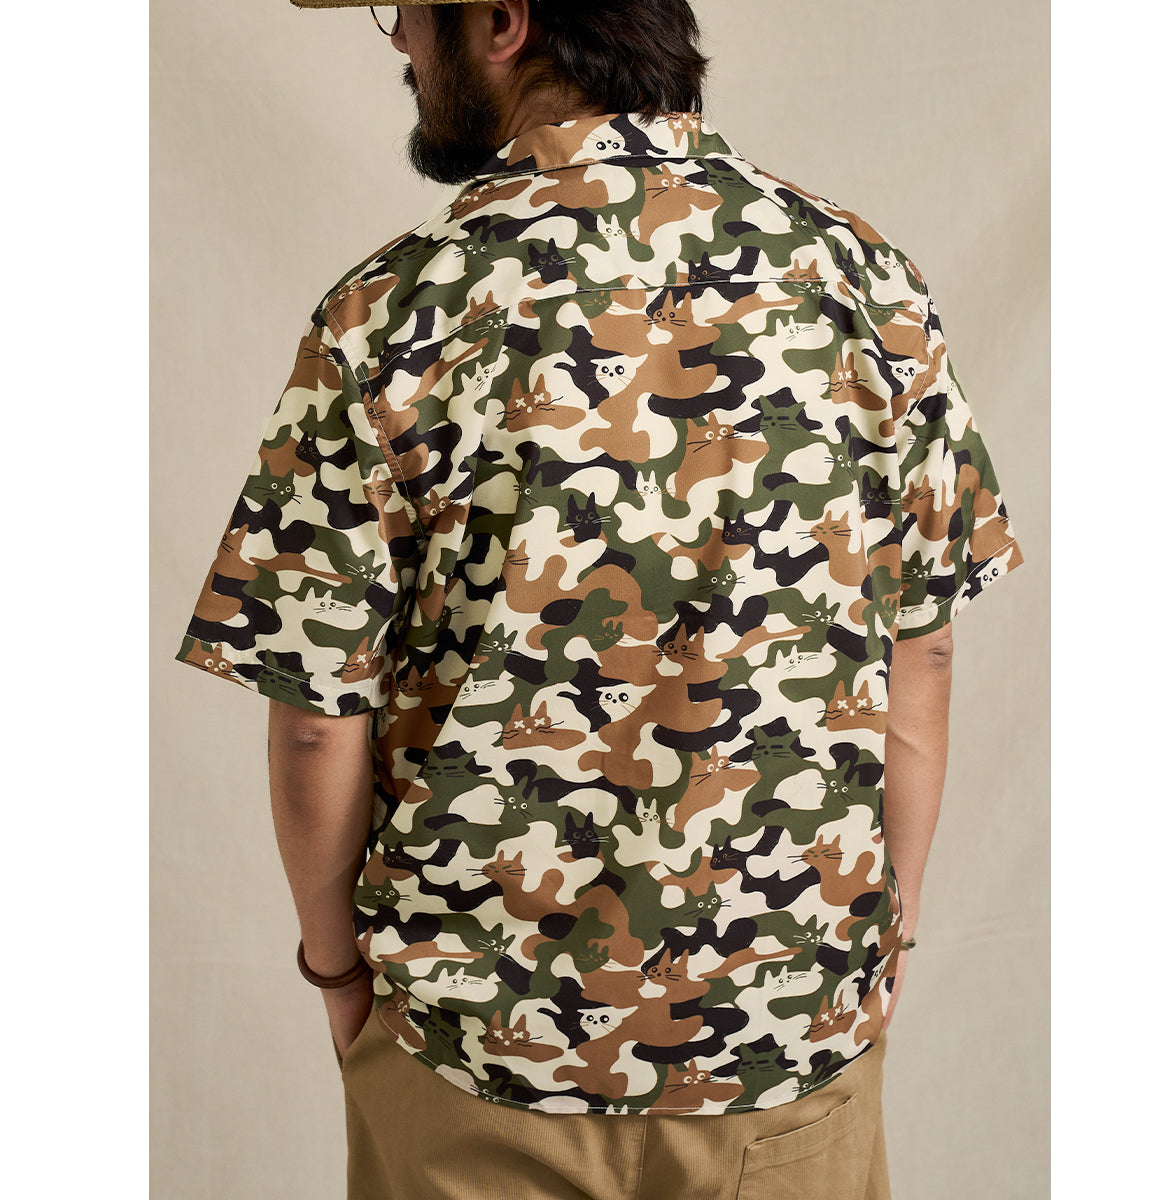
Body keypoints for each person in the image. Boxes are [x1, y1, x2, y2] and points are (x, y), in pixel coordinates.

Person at [176, 2, 1024, 1196]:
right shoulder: (866, 280)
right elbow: (921, 652)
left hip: (476, 1057)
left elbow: (319, 718)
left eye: (406, 13)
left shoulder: (393, 310)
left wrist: (340, 976)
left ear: (502, 22)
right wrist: (891, 929)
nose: (400, 42)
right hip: (785, 1035)